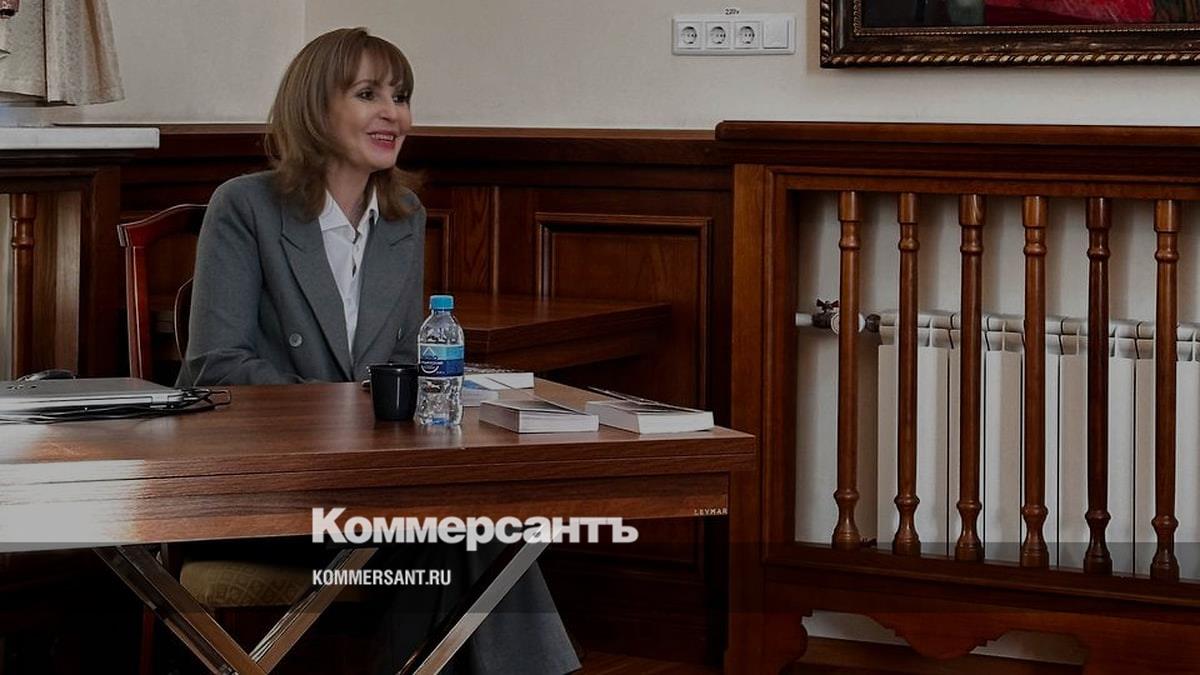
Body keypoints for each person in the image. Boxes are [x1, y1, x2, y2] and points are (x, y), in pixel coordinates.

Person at [177, 27, 580, 674]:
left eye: (402, 96)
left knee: (466, 530)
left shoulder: (403, 215)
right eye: (369, 94)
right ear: (316, 106)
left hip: (375, 488)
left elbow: (401, 359)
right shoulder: (245, 206)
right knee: (460, 536)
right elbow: (215, 368)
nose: (394, 113)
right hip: (265, 492)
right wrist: (352, 408)